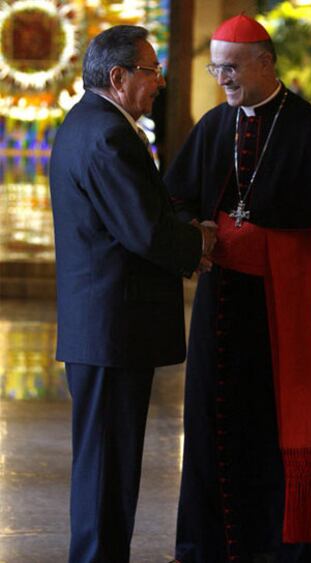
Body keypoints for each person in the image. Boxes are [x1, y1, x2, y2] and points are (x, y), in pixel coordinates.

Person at [165, 14, 311, 563]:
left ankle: (297, 550)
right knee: (215, 426)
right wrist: (195, 232)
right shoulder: (214, 126)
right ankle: (216, 547)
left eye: (231, 67)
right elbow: (178, 200)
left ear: (266, 63)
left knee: (293, 430)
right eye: (215, 67)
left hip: (297, 312)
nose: (222, 78)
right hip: (222, 311)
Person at [49, 25, 216, 563]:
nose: (159, 82)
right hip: (111, 330)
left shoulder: (92, 124)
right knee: (105, 472)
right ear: (118, 77)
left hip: (105, 327)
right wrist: (200, 242)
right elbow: (142, 229)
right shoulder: (107, 134)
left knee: (111, 468)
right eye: (151, 71)